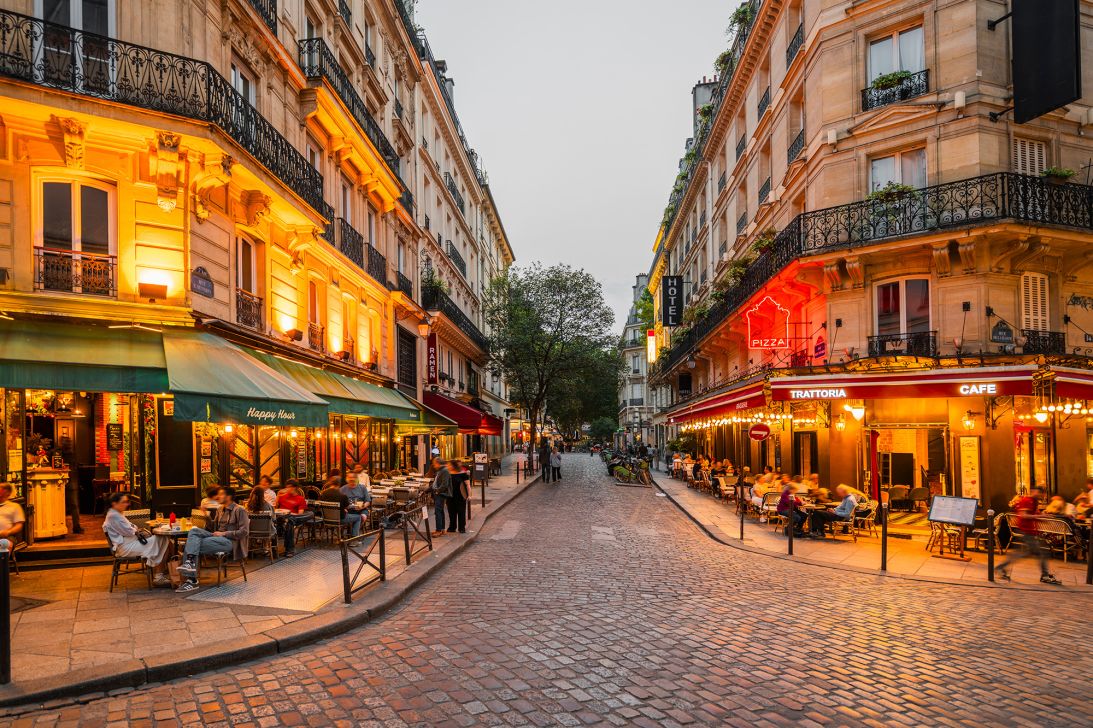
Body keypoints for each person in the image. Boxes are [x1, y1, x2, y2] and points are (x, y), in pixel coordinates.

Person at [176, 487, 249, 592]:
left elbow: (244, 531)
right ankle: (190, 567)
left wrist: (224, 533)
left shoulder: (240, 510)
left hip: (230, 542)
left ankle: (191, 579)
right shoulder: (220, 509)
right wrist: (205, 515)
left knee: (191, 543)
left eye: (221, 494)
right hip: (217, 537)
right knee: (194, 531)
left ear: (229, 497)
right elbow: (212, 528)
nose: (218, 496)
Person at [102, 492, 171, 586]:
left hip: (128, 543)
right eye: (124, 502)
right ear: (115, 503)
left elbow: (131, 527)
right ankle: (159, 575)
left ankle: (160, 573)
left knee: (163, 539)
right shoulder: (114, 516)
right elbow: (130, 531)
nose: (127, 504)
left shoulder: (116, 513)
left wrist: (133, 528)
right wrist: (134, 529)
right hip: (125, 547)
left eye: (127, 501)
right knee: (162, 539)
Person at [996, 486, 1061, 585]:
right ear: (1033, 491)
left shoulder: (1034, 502)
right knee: (1041, 552)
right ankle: (1045, 575)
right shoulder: (1027, 500)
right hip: (1025, 531)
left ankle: (1001, 567)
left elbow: (1033, 515)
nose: (1041, 495)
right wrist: (1040, 516)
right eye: (1040, 493)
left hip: (1030, 531)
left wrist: (1044, 517)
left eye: (1042, 493)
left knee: (1026, 553)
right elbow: (1023, 515)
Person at [276, 479, 312, 557]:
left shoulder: (300, 499)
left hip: (294, 518)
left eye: (290, 487)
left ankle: (289, 550)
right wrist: (278, 495)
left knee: (290, 521)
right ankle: (289, 550)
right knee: (288, 522)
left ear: (295, 488)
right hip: (281, 518)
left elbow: (300, 514)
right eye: (287, 487)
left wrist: (290, 514)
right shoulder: (282, 497)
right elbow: (275, 508)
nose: (288, 489)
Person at [446, 459, 470, 534]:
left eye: (449, 465)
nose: (448, 466)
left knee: (461, 512)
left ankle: (461, 528)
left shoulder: (463, 474)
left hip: (460, 496)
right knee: (451, 512)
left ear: (453, 466)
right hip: (450, 496)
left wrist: (469, 495)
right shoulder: (447, 474)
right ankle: (452, 527)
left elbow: (468, 485)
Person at [431, 459, 452, 536]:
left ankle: (438, 530)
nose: (433, 465)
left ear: (438, 463)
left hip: (441, 494)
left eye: (434, 463)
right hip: (439, 493)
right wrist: (428, 490)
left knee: (438, 512)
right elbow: (435, 483)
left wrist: (437, 491)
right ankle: (442, 529)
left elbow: (444, 484)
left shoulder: (444, 471)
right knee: (440, 511)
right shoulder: (440, 471)